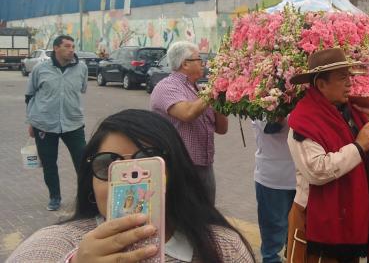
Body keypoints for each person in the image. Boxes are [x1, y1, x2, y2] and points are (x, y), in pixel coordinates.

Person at [7, 109, 255, 263]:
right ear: (90, 182)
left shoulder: (224, 248)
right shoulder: (52, 245)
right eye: (108, 166)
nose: (129, 185)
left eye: (147, 164)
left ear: (176, 173)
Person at [285, 48, 369, 263]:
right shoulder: (304, 120)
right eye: (342, 78)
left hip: (350, 218)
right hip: (317, 221)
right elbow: (317, 171)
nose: (349, 84)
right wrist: (359, 146)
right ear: (321, 84)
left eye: (350, 77)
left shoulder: (355, 113)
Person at [150, 41, 228, 204]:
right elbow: (188, 113)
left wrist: (221, 98)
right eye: (198, 59)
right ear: (185, 63)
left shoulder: (198, 89)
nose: (203, 63)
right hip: (180, 166)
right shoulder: (166, 87)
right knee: (184, 220)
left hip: (205, 165)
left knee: (206, 219)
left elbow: (222, 128)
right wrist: (214, 88)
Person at [25, 34, 88, 211]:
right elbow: (30, 95)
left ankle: (87, 197)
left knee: (83, 161)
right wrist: (31, 122)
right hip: (44, 124)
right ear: (56, 48)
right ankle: (55, 197)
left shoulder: (82, 68)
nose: (71, 50)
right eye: (67, 46)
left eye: (73, 46)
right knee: (49, 163)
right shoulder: (40, 69)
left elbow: (82, 89)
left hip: (73, 123)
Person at [251, 117, 296, 263]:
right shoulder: (259, 96)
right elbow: (271, 127)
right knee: (272, 247)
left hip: (303, 179)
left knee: (297, 242)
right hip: (273, 182)